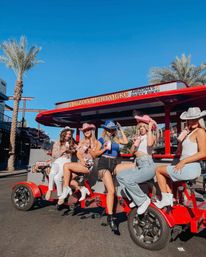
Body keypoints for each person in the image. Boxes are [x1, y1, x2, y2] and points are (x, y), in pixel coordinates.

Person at [154, 107, 206, 209]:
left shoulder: (200, 131)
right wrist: (183, 137)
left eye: (195, 118)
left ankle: (166, 200)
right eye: (190, 119)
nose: (192, 121)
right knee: (166, 174)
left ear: (200, 119)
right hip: (186, 166)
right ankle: (169, 199)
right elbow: (179, 151)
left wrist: (183, 162)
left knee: (158, 170)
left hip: (190, 167)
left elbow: (204, 153)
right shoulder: (190, 132)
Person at [116, 115, 157, 215]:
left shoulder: (150, 136)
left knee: (129, 180)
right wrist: (135, 144)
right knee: (120, 176)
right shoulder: (139, 138)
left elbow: (150, 144)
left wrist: (151, 128)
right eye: (140, 127)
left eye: (143, 127)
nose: (141, 129)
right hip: (139, 165)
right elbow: (131, 152)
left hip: (148, 165)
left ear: (147, 127)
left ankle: (143, 200)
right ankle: (136, 199)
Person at [94, 120, 128, 231]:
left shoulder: (116, 139)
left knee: (132, 166)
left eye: (112, 129)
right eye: (108, 129)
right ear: (105, 130)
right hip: (104, 163)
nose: (110, 131)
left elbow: (126, 142)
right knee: (111, 191)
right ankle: (110, 217)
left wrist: (120, 129)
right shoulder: (101, 139)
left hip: (114, 164)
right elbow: (94, 153)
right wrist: (104, 148)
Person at [57, 123, 99, 206]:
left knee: (66, 165)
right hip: (81, 164)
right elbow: (78, 154)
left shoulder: (96, 142)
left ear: (91, 131)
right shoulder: (82, 141)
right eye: (84, 131)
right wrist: (81, 160)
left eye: (88, 130)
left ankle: (65, 190)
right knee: (65, 178)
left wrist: (90, 149)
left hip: (88, 165)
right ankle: (82, 189)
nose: (86, 132)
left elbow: (95, 155)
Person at [45, 127, 77, 200]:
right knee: (52, 172)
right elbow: (54, 155)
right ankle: (50, 190)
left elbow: (76, 149)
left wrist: (71, 150)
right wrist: (62, 150)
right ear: (64, 134)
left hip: (66, 161)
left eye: (70, 134)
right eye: (67, 133)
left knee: (57, 177)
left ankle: (60, 196)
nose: (69, 135)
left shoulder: (72, 142)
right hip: (58, 160)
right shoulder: (57, 142)